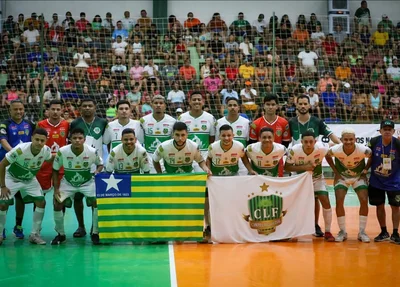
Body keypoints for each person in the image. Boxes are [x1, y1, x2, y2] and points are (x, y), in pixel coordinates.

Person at [289, 94, 340, 237]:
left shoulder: (317, 122)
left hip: (313, 166)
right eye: (301, 104)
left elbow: (331, 135)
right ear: (297, 105)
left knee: (316, 197)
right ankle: (295, 227)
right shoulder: (291, 122)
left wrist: (341, 145)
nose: (303, 106)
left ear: (309, 105)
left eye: (306, 103)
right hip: (297, 166)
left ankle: (315, 225)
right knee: (295, 200)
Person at [51, 128, 103, 245]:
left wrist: (97, 172)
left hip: (87, 182)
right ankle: (61, 234)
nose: (77, 141)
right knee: (57, 202)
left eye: (80, 138)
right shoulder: (63, 151)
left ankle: (95, 233)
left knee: (97, 202)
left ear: (84, 140)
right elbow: (55, 169)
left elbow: (100, 164)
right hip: (68, 183)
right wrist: (56, 189)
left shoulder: (92, 151)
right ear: (70, 140)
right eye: (74, 138)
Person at [0, 128, 52, 245]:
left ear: (46, 141)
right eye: (37, 139)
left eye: (42, 140)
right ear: (32, 138)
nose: (39, 143)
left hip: (29, 179)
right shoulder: (19, 150)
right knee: (2, 203)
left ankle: (34, 234)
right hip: (12, 177)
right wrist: (3, 186)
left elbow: (51, 160)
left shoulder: (46, 151)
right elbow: (2, 165)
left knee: (41, 201)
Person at [285, 130, 335, 242]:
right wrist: (305, 167)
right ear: (301, 141)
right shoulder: (294, 150)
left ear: (315, 141)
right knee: (294, 204)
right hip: (299, 180)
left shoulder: (322, 148)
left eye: (311, 142)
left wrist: (335, 170)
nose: (308, 144)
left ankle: (327, 231)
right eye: (305, 142)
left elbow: (329, 155)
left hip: (317, 179)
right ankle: (292, 230)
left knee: (325, 200)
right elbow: (287, 167)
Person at [325, 128, 372, 242]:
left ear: (355, 139)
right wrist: (335, 172)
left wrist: (365, 171)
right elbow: (327, 155)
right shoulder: (336, 149)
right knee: (339, 200)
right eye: (345, 139)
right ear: (341, 140)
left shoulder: (363, 149)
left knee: (363, 200)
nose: (348, 142)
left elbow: (371, 156)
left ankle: (362, 232)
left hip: (358, 177)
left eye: (351, 139)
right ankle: (342, 231)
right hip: (342, 177)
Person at [69, 98, 107, 238]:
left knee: (94, 199)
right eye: (84, 106)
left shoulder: (102, 123)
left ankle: (94, 227)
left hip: (97, 166)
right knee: (78, 198)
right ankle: (81, 226)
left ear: (95, 107)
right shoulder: (75, 123)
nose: (87, 108)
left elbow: (107, 142)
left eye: (90, 106)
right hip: (79, 167)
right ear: (80, 108)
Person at [0, 100, 35, 239]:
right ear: (10, 110)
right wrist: (15, 155)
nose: (19, 112)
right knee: (5, 198)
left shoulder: (30, 124)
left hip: (24, 166)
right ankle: (1, 229)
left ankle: (18, 226)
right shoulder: (4, 124)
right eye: (16, 109)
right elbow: (3, 141)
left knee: (21, 197)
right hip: (7, 164)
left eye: (21, 109)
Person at [366, 120, 400, 243]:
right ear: (380, 131)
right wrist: (365, 170)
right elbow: (369, 158)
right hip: (376, 181)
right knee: (379, 206)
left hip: (394, 182)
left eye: (389, 129)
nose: (387, 131)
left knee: (395, 207)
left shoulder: (397, 143)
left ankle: (395, 233)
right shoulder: (374, 142)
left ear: (393, 131)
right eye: (384, 129)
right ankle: (383, 231)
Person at [250, 95, 291, 176]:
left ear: (277, 106)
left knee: (277, 186)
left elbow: (285, 143)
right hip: (259, 160)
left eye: (273, 104)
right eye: (268, 104)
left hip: (277, 160)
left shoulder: (284, 123)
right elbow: (252, 143)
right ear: (264, 106)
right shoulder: (256, 123)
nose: (270, 107)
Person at [37, 100, 69, 194]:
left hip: (60, 164)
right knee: (40, 194)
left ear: (62, 111)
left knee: (60, 193)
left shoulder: (66, 125)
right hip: (44, 163)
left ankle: (58, 209)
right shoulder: (40, 125)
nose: (55, 112)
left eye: (58, 109)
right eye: (53, 109)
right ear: (48, 110)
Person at [178, 92, 216, 172]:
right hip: (186, 155)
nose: (197, 101)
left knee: (203, 181)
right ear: (189, 101)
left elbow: (212, 138)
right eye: (194, 99)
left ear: (203, 102)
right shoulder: (182, 118)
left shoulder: (210, 118)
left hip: (203, 155)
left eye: (199, 99)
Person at [140, 95, 176, 173]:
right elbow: (140, 141)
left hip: (166, 158)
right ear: (151, 105)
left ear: (165, 106)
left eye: (161, 103)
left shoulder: (172, 121)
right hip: (149, 158)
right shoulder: (143, 120)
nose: (158, 105)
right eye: (156, 103)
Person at [215, 97, 250, 175]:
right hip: (223, 159)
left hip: (241, 160)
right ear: (227, 107)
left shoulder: (246, 122)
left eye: (235, 105)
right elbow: (216, 142)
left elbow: (248, 142)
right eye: (230, 105)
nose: (232, 107)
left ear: (239, 107)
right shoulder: (219, 122)